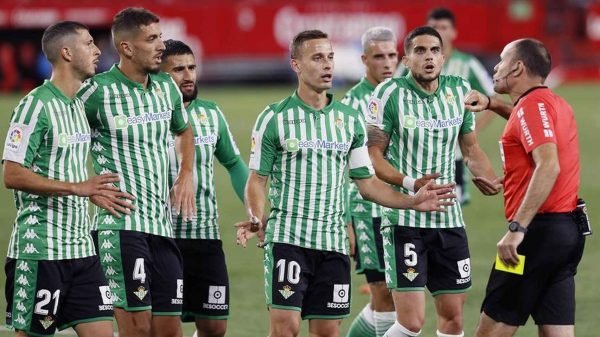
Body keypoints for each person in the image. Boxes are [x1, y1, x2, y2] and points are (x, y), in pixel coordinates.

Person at [235, 29, 455, 337]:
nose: (327, 65)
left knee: (327, 332)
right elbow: (257, 179)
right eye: (316, 58)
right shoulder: (274, 117)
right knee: (286, 329)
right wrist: (256, 216)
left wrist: (411, 200)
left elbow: (367, 184)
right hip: (288, 240)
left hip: (332, 244)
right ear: (296, 64)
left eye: (330, 57)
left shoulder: (349, 119)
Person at [367, 26, 499, 337]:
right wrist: (412, 183)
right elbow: (373, 156)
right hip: (405, 219)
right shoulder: (389, 93)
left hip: (448, 219)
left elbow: (470, 146)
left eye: (434, 51)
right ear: (406, 59)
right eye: (420, 51)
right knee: (411, 323)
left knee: (453, 320)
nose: (429, 57)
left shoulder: (459, 90)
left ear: (442, 57)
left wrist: (486, 175)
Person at [2, 21, 130, 337]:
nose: (98, 49)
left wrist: (91, 191)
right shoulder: (35, 105)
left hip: (82, 251)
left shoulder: (75, 105)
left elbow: (59, 165)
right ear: (67, 52)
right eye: (89, 44)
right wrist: (78, 188)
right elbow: (11, 173)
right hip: (41, 253)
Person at [78, 7, 195, 337]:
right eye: (152, 39)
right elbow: (58, 135)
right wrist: (81, 187)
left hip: (162, 227)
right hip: (121, 228)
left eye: (161, 36)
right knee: (138, 329)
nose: (162, 45)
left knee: (170, 330)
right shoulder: (95, 92)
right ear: (127, 47)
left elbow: (184, 131)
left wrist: (186, 173)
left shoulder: (166, 89)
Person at [464, 39, 584, 337]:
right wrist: (491, 103)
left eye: (502, 60)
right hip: (566, 235)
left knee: (490, 332)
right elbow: (525, 122)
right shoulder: (553, 103)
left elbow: (549, 165)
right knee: (557, 333)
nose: (495, 67)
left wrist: (518, 228)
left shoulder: (531, 107)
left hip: (533, 239)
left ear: (517, 66)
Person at [160, 39, 249, 337]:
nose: (188, 76)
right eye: (178, 70)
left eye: (191, 67)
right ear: (160, 75)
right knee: (163, 328)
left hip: (205, 236)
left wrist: (254, 208)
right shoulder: (148, 117)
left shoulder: (211, 114)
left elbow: (235, 164)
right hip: (161, 237)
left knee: (214, 327)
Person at [398, 7, 497, 205]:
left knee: (452, 206)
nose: (439, 31)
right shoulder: (411, 63)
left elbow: (491, 97)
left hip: (455, 154)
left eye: (444, 27)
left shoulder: (467, 63)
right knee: (418, 204)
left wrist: (472, 130)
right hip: (417, 152)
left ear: (453, 32)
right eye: (434, 27)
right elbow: (393, 90)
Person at [342, 27, 403, 337]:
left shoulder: (404, 93)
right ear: (364, 60)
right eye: (379, 56)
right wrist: (347, 222)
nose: (388, 63)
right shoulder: (352, 105)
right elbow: (341, 169)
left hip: (402, 209)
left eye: (392, 55)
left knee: (400, 296)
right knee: (383, 295)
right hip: (367, 213)